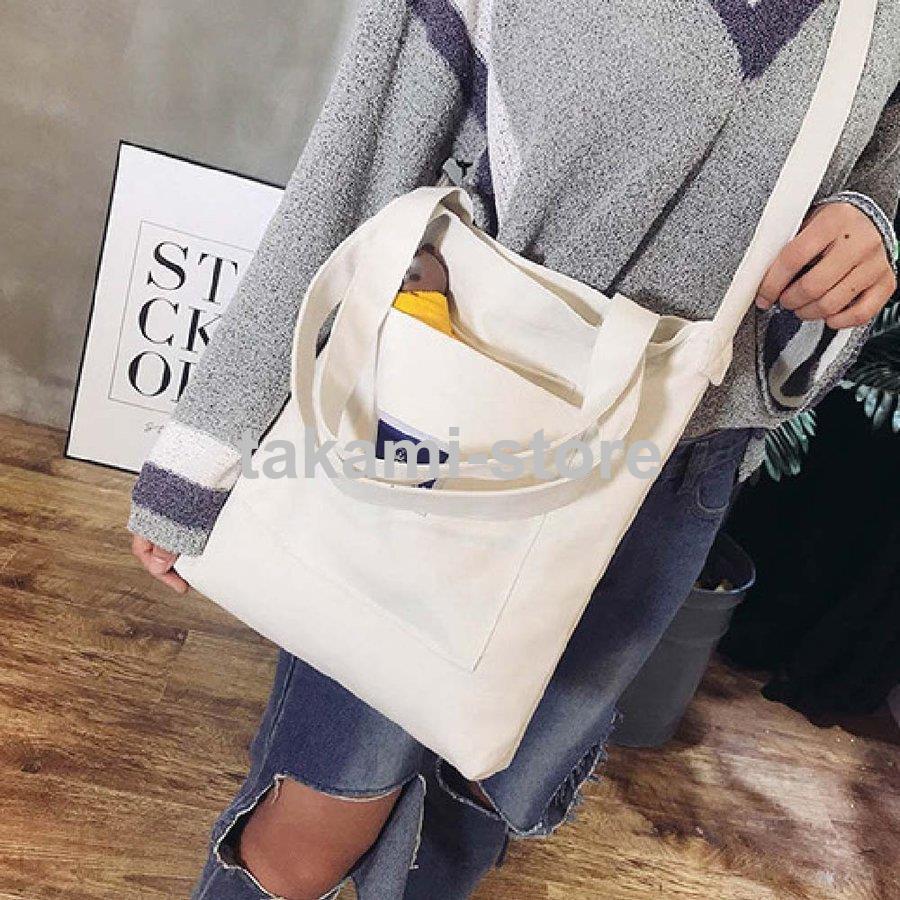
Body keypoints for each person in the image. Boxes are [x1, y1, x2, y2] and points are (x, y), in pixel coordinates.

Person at [128, 2, 900, 897]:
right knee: (318, 821)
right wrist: (209, 447)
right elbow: (363, 154)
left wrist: (877, 212)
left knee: (471, 817)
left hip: (675, 473)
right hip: (457, 427)